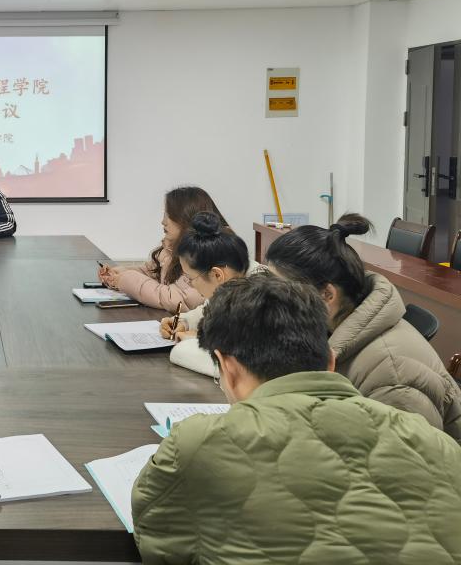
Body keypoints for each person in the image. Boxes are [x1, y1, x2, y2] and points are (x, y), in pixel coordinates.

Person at [133, 273, 461, 564]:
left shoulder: (196, 445)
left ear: (227, 369)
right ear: (330, 361)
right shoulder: (438, 444)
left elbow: (162, 546)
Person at [266, 213, 461, 440]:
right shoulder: (331, 329)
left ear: (327, 294)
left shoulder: (393, 380)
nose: (270, 303)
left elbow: (412, 459)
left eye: (282, 292)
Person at [158, 212, 264, 376]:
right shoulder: (236, 275)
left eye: (190, 278)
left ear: (217, 275)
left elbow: (237, 368)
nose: (190, 284)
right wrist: (185, 322)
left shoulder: (260, 299)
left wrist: (193, 341)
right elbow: (210, 308)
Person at [98, 186, 225, 311]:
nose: (163, 221)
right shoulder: (171, 248)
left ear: (186, 218)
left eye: (168, 215)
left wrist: (125, 280)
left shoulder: (206, 256)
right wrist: (119, 273)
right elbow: (152, 273)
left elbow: (175, 298)